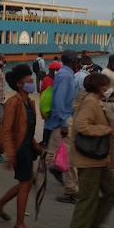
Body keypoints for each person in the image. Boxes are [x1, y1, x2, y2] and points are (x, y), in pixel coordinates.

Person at [64, 73, 114, 228]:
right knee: (88, 198)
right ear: (100, 87)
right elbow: (82, 125)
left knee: (113, 191)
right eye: (106, 85)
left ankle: (93, 225)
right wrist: (107, 129)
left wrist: (113, 133)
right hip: (88, 158)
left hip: (99, 158)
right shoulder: (90, 101)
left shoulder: (96, 101)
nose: (109, 89)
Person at [0, 64, 42, 228]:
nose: (32, 83)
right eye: (29, 80)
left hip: (27, 146)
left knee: (26, 181)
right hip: (20, 149)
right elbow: (7, 129)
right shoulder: (13, 102)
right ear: (20, 84)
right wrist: (10, 154)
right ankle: (20, 224)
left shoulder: (28, 101)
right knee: (26, 183)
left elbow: (24, 127)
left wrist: (34, 143)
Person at [44, 49, 80, 204]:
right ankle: (71, 190)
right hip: (64, 120)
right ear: (73, 61)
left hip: (59, 119)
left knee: (51, 153)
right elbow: (59, 100)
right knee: (70, 155)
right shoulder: (66, 76)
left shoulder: (63, 74)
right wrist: (65, 122)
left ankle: (35, 178)